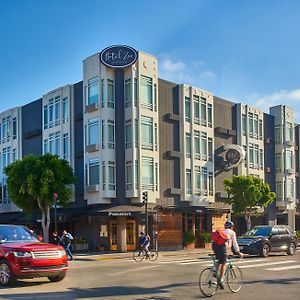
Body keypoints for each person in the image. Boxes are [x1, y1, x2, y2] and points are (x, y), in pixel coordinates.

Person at [212, 221, 243, 289]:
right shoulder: (232, 232)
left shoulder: (222, 231)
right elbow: (234, 243)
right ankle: (221, 280)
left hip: (214, 245)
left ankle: (215, 272)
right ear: (231, 227)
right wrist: (238, 253)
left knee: (220, 260)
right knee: (224, 263)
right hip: (222, 246)